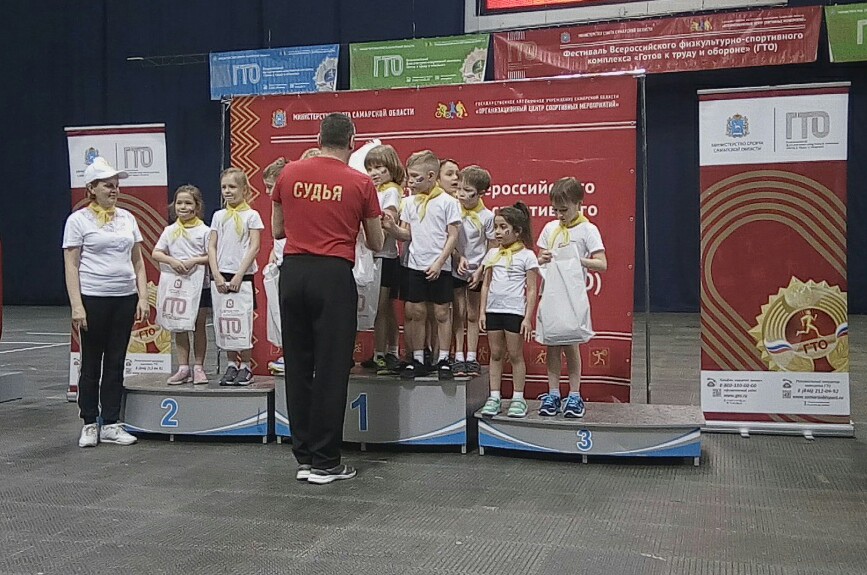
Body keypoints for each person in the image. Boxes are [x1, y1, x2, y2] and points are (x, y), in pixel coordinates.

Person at [272, 113, 384, 485]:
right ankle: (326, 461)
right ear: (352, 141)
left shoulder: (289, 173)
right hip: (333, 275)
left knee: (298, 366)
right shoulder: (360, 182)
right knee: (332, 368)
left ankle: (304, 457)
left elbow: (278, 229)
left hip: (293, 273)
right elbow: (376, 242)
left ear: (318, 138)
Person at [62, 157, 149, 448]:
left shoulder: (127, 218)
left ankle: (111, 422)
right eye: (108, 185)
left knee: (116, 361)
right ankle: (89, 421)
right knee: (91, 363)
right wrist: (77, 305)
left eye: (116, 186)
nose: (114, 190)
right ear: (92, 188)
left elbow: (138, 261)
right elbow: (71, 265)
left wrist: (142, 297)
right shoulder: (78, 221)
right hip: (93, 298)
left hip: (124, 299)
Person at [383, 150, 460, 380]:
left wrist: (440, 262)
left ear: (430, 176)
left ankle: (443, 358)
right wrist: (391, 227)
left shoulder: (448, 202)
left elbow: (453, 235)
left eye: (416, 177)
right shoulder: (408, 202)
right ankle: (417, 358)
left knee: (441, 312)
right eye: (409, 176)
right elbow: (406, 234)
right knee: (416, 312)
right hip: (414, 265)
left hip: (440, 266)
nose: (411, 182)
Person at [536, 177, 607, 418]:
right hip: (550, 293)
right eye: (555, 210)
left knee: (571, 343)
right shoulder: (550, 229)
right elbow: (539, 258)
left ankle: (574, 395)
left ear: (579, 204)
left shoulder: (588, 230)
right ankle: (553, 393)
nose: (559, 215)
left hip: (572, 296)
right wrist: (543, 258)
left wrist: (578, 259)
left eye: (564, 210)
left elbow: (602, 264)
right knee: (552, 344)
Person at [478, 203, 539, 418]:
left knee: (515, 355)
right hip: (493, 311)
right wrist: (482, 312)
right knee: (495, 354)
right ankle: (494, 396)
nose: (498, 232)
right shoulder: (492, 254)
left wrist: (527, 318)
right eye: (496, 227)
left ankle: (518, 398)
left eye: (503, 227)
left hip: (514, 312)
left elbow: (532, 289)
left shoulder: (528, 256)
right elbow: (485, 285)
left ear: (517, 231)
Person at [208, 167, 263, 386]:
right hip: (221, 275)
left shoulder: (252, 216)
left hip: (243, 275)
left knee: (242, 320)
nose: (228, 191)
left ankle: (246, 366)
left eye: (232, 187)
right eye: (224, 187)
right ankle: (231, 364)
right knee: (225, 320)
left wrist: (240, 274)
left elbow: (254, 246)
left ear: (244, 190)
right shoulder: (218, 216)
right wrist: (216, 274)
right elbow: (212, 246)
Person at [152, 185, 211, 385]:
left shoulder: (205, 231)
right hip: (177, 286)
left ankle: (199, 367)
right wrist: (172, 261)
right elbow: (156, 252)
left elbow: (211, 256)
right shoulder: (170, 231)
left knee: (198, 325)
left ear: (197, 206)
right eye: (179, 203)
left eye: (188, 203)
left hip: (199, 286)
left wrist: (194, 261)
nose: (183, 207)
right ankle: (183, 367)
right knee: (179, 326)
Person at [359, 144, 403, 376]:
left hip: (384, 256)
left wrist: (373, 235)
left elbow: (387, 221)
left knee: (382, 308)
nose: (374, 173)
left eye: (379, 168)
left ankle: (384, 353)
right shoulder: (373, 190)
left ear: (391, 168)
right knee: (381, 307)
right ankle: (386, 351)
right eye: (370, 168)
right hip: (372, 256)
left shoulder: (391, 191)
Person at [451, 165, 496, 378]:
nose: (461, 194)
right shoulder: (453, 209)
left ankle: (471, 356)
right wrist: (457, 257)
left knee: (472, 313)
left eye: (467, 191)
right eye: (459, 188)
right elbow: (448, 239)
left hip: (477, 269)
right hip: (455, 266)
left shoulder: (487, 217)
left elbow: (492, 246)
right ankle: (458, 355)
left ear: (481, 193)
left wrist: (481, 269)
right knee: (458, 312)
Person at [263, 157, 289, 375]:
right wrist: (273, 251)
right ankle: (289, 353)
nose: (267, 192)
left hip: (294, 266)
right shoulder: (279, 207)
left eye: (270, 187)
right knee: (281, 313)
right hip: (281, 264)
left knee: (293, 315)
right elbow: (277, 236)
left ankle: (295, 356)